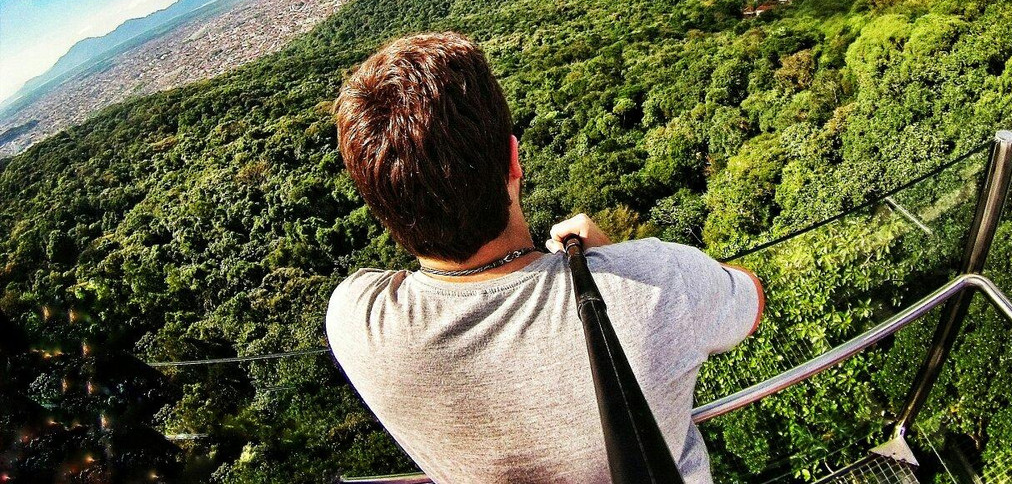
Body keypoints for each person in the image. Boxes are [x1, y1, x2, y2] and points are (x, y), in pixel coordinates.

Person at [326, 31, 764, 484]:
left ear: (381, 207)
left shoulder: (357, 321)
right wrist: (614, 259)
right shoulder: (660, 281)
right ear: (513, 160)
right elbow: (750, 298)